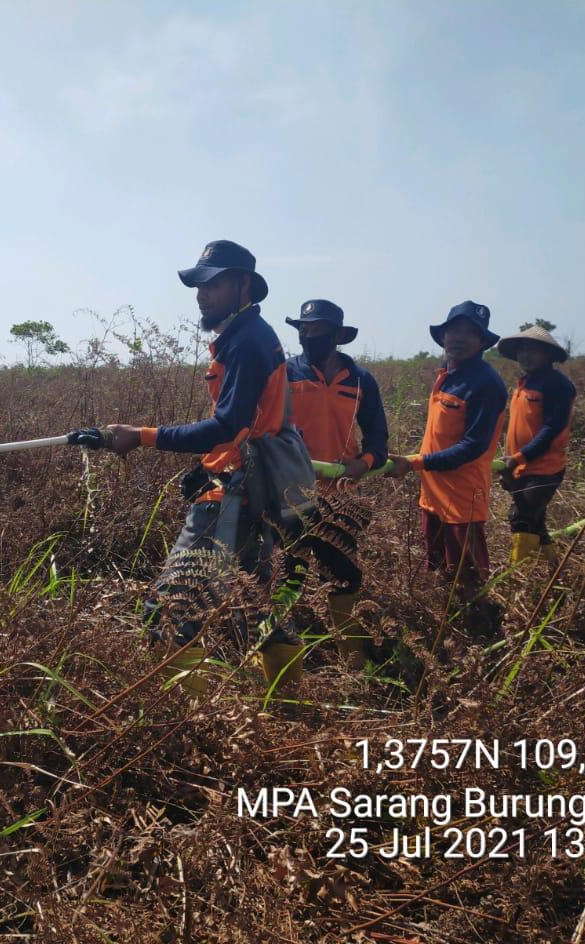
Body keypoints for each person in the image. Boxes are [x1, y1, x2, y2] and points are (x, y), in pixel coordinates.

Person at [100, 240, 306, 696]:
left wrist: (142, 436)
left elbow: (227, 425)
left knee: (170, 605)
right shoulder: (245, 336)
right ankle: (288, 701)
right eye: (198, 284)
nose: (201, 293)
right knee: (255, 602)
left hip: (231, 493)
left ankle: (184, 725)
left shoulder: (248, 341)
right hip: (253, 489)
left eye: (212, 284)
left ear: (243, 285)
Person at [389, 301, 507, 631]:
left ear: (483, 341)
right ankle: (448, 629)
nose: (460, 338)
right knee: (439, 568)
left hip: (463, 500)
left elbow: (472, 447)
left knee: (467, 577)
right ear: (443, 335)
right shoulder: (447, 374)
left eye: (471, 333)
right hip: (434, 496)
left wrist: (414, 463)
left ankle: (480, 637)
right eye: (454, 330)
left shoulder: (486, 384)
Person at [283, 299, 388, 668]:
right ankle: (287, 666)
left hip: (340, 498)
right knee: (285, 578)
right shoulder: (283, 374)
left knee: (343, 578)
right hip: (288, 496)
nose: (308, 335)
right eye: (303, 328)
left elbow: (378, 435)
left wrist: (364, 463)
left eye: (317, 329)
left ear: (338, 336)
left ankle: (355, 664)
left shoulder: (360, 380)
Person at [496, 324, 575, 567]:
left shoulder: (557, 385)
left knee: (521, 518)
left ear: (548, 354)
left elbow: (551, 429)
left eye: (531, 350)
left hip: (543, 469)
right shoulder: (525, 382)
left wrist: (519, 457)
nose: (525, 356)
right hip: (520, 465)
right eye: (521, 351)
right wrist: (510, 462)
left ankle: (516, 579)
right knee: (536, 521)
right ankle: (554, 570)